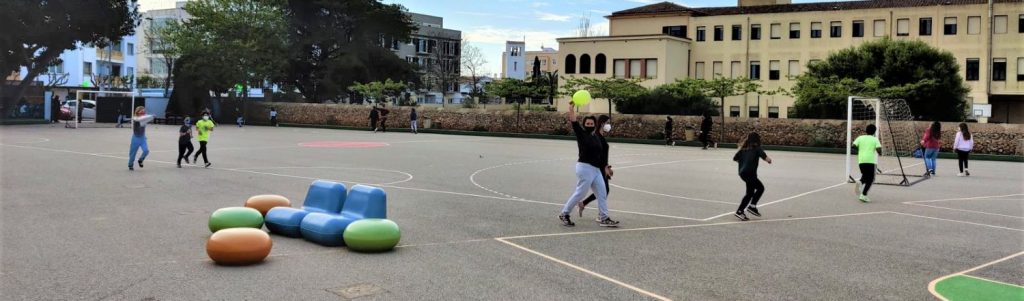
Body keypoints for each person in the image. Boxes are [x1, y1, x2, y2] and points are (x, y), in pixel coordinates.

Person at [559, 101, 618, 227]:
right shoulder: (582, 134)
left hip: (596, 170)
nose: (590, 125)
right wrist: (570, 108)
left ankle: (604, 218)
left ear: (595, 124)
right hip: (584, 168)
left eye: (591, 123)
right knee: (580, 193)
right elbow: (574, 122)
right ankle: (564, 213)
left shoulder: (596, 137)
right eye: (587, 123)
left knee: (602, 193)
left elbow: (600, 155)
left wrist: (606, 167)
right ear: (584, 124)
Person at [578, 115, 613, 218]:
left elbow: (604, 154)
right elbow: (599, 154)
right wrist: (605, 167)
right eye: (607, 122)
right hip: (598, 167)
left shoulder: (601, 135)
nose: (609, 125)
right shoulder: (597, 135)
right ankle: (601, 215)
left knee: (604, 191)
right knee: (603, 191)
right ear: (602, 123)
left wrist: (608, 166)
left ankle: (583, 204)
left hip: (603, 166)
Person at [733, 132, 772, 221]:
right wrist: (769, 160)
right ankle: (751, 206)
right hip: (750, 173)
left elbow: (735, 158)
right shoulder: (757, 148)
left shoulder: (743, 149)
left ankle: (741, 211)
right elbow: (767, 159)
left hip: (742, 173)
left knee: (750, 193)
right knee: (760, 188)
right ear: (757, 140)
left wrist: (743, 162)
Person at [853, 124, 882, 203]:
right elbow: (878, 149)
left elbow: (853, 145)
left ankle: (860, 182)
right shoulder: (875, 139)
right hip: (870, 161)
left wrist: (860, 151)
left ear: (866, 130)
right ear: (874, 132)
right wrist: (880, 153)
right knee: (871, 178)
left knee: (865, 175)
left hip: (861, 160)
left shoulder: (860, 138)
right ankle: (863, 195)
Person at [128, 106, 154, 171]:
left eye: (144, 111)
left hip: (142, 138)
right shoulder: (135, 118)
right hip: (135, 138)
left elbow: (148, 118)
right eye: (141, 111)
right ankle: (130, 165)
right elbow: (140, 119)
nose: (143, 112)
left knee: (146, 151)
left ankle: (140, 160)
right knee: (132, 154)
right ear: (137, 112)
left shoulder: (144, 118)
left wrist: (152, 116)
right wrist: (150, 116)